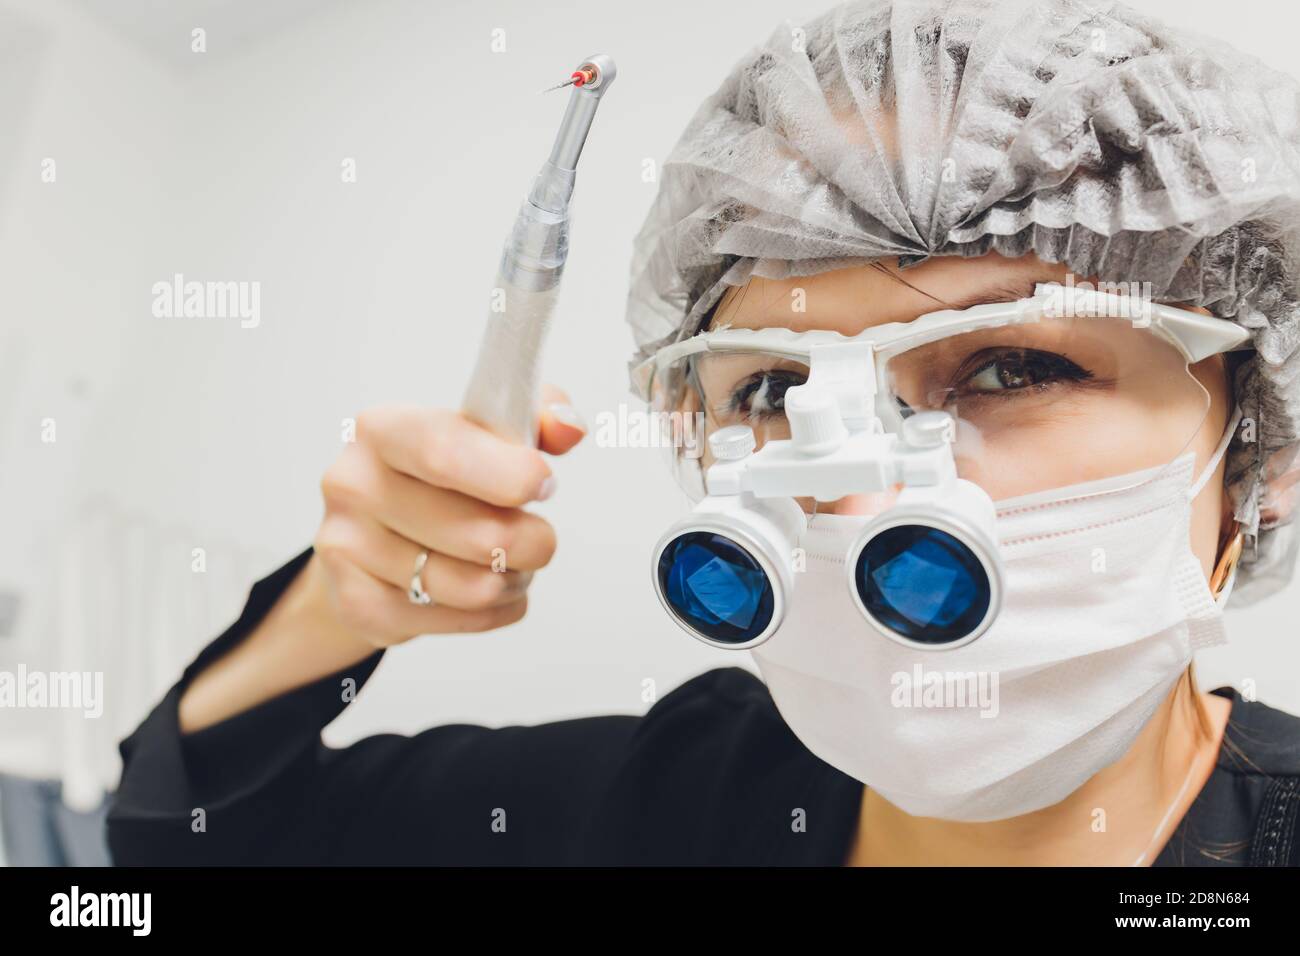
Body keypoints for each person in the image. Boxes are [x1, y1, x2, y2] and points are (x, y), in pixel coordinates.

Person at [107, 0, 1300, 866]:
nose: (862, 490)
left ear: (1255, 449)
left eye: (1012, 363)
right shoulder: (665, 800)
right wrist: (338, 603)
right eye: (776, 387)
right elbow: (190, 836)